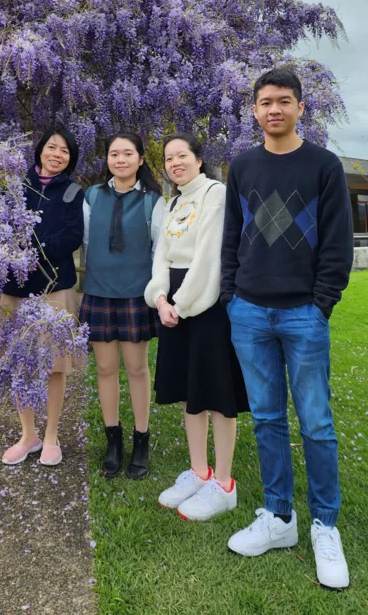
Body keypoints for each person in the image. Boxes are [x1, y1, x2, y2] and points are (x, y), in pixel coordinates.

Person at [221, 68, 353, 590]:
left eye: (283, 101)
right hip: (249, 312)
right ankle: (279, 517)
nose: (273, 109)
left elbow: (338, 243)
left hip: (303, 313)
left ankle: (325, 525)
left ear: (301, 107)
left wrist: (321, 305)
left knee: (316, 423)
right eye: (264, 102)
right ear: (254, 110)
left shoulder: (324, 166)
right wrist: (231, 297)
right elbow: (231, 237)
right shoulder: (242, 166)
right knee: (267, 419)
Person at [145, 134, 249, 521]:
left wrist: (181, 304)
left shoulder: (214, 194)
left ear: (199, 159)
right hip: (173, 302)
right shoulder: (173, 202)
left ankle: (223, 483)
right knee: (190, 390)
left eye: (182, 156)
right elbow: (161, 256)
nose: (175, 163)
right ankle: (199, 471)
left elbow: (208, 257)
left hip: (205, 303)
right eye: (169, 158)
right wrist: (159, 298)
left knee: (217, 391)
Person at [0, 127, 84, 468]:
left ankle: (52, 436)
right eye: (52, 147)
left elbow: (72, 236)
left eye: (65, 151)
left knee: (54, 366)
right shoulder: (14, 186)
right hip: (15, 289)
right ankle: (28, 435)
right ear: (40, 150)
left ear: (70, 159)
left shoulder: (72, 191)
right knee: (19, 361)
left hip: (54, 288)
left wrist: (35, 250)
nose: (57, 154)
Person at [80, 133, 165, 480]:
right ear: (107, 160)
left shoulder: (153, 201)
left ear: (140, 159)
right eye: (114, 154)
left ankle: (141, 439)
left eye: (128, 153)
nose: (120, 160)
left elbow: (159, 250)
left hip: (135, 293)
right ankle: (112, 440)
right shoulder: (91, 196)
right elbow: (86, 242)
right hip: (99, 292)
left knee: (137, 368)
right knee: (104, 369)